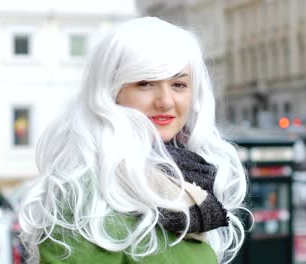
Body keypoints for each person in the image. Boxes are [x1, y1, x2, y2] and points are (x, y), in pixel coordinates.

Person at [18, 17, 248, 264]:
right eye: (145, 83)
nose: (166, 101)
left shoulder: (193, 183)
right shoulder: (83, 192)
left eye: (179, 84)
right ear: (112, 92)